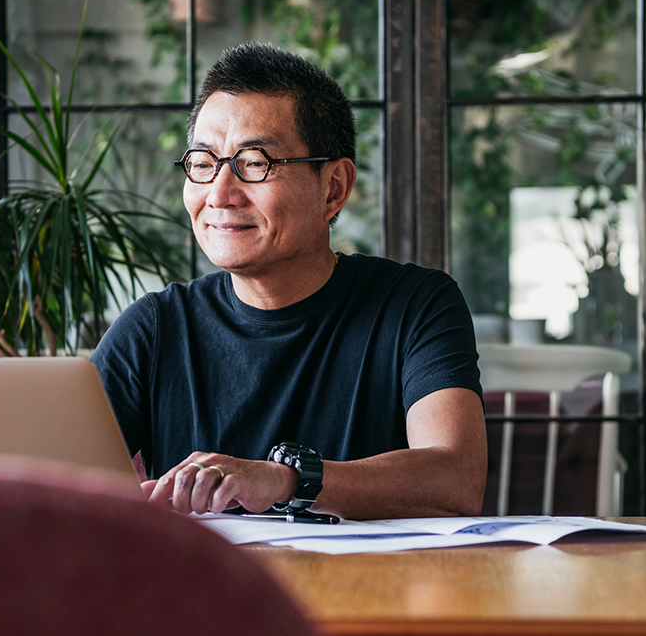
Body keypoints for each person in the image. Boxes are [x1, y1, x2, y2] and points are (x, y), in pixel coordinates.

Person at [90, 42, 486, 521]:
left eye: (255, 162)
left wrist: (284, 479)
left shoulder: (414, 305)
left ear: (333, 187)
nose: (219, 194)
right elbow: (49, 487)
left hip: (375, 593)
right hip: (206, 596)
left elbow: (455, 480)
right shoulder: (153, 331)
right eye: (203, 162)